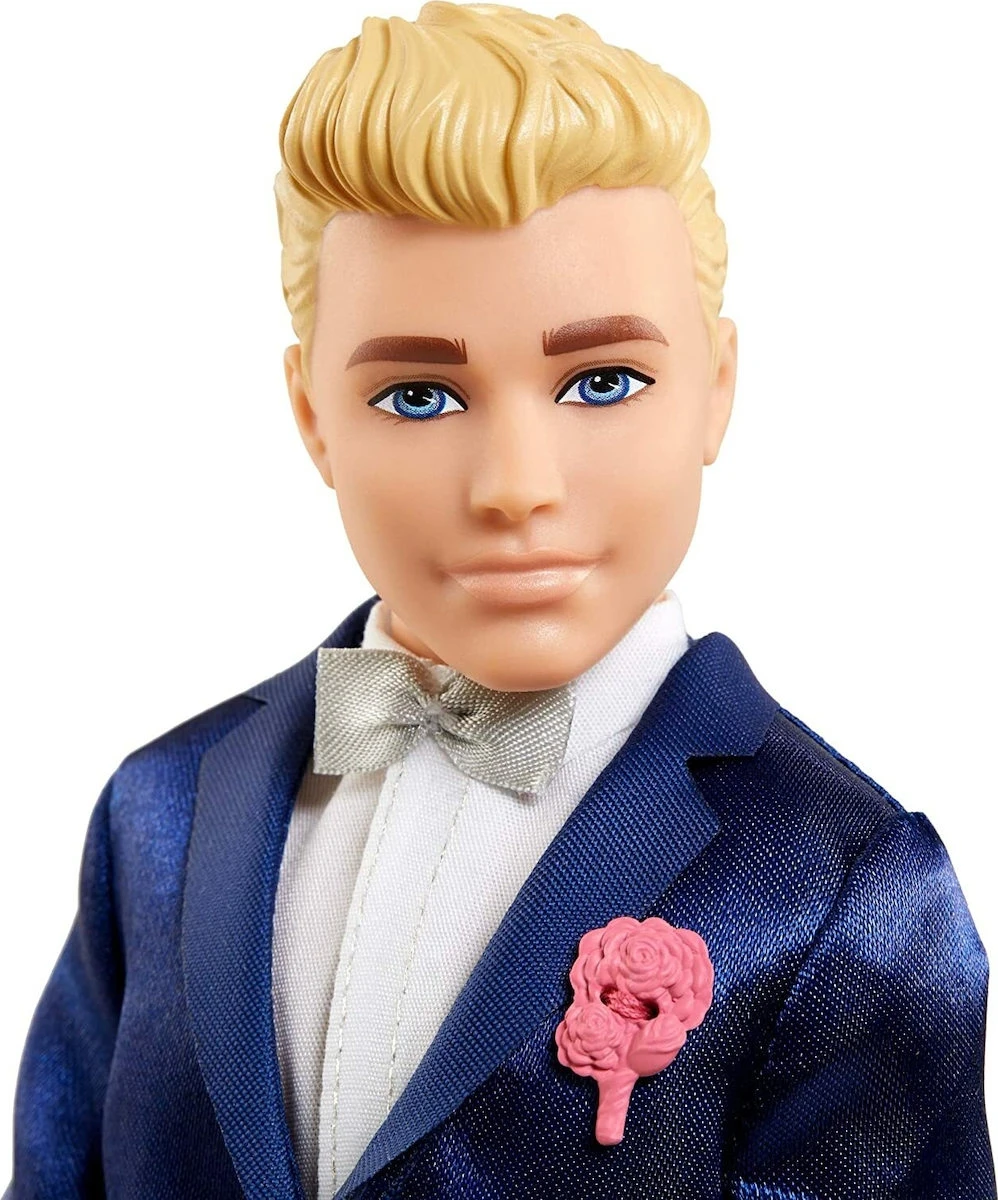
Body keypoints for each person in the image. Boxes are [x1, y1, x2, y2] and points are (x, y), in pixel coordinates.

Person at [5, 4, 994, 1198]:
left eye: (602, 381)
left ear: (715, 388)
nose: (515, 487)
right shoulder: (160, 810)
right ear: (312, 417)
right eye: (418, 396)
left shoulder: (840, 886)